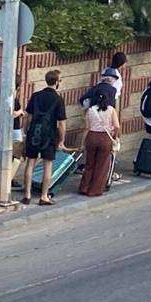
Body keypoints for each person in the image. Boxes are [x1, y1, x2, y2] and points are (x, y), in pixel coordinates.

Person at [22, 70, 68, 206]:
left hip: (33, 134)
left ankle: (27, 195)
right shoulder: (58, 99)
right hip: (49, 136)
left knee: (30, 163)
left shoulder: (35, 96)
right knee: (48, 165)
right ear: (57, 82)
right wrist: (61, 140)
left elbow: (28, 117)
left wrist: (26, 131)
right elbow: (61, 124)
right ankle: (43, 196)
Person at [78, 90, 120, 197]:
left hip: (92, 137)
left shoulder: (90, 110)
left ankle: (84, 187)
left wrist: (83, 143)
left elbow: (86, 128)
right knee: (101, 165)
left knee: (89, 163)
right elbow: (117, 126)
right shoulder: (111, 110)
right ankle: (95, 190)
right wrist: (115, 138)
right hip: (105, 138)